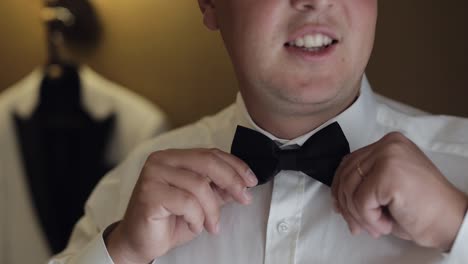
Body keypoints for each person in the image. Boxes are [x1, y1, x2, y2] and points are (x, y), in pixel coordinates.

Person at [49, 0, 468, 263]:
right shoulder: (126, 192)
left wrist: (459, 227)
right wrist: (122, 253)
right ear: (209, 5)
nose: (314, 2)